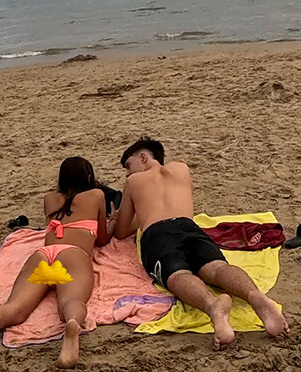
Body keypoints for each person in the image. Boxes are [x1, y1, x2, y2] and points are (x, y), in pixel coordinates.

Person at [112, 137, 287, 348]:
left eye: (129, 166)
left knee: (178, 274)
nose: (128, 173)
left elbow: (121, 231)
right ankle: (255, 296)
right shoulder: (181, 169)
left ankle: (212, 305)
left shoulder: (133, 182)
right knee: (216, 267)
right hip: (189, 226)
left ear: (143, 157)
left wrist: (120, 216)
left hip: (158, 234)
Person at [0, 157, 116, 372]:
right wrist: (112, 222)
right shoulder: (96, 195)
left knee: (14, 308)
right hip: (73, 256)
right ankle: (72, 324)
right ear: (89, 177)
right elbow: (102, 240)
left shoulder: (49, 198)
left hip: (43, 256)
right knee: (71, 301)